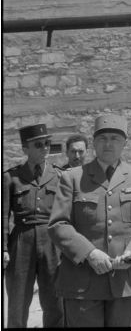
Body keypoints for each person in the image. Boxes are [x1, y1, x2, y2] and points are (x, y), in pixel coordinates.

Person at [47, 113, 131, 327]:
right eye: (103, 138)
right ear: (94, 144)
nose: (108, 143)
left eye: (115, 138)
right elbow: (58, 224)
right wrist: (89, 253)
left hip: (126, 282)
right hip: (82, 283)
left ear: (124, 143)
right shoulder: (72, 178)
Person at [2, 123, 64, 328]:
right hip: (21, 242)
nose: (45, 148)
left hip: (51, 242)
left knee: (55, 302)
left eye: (47, 143)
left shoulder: (59, 175)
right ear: (24, 149)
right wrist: (3, 248)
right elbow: (3, 216)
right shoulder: (11, 178)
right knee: (18, 303)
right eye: (38, 144)